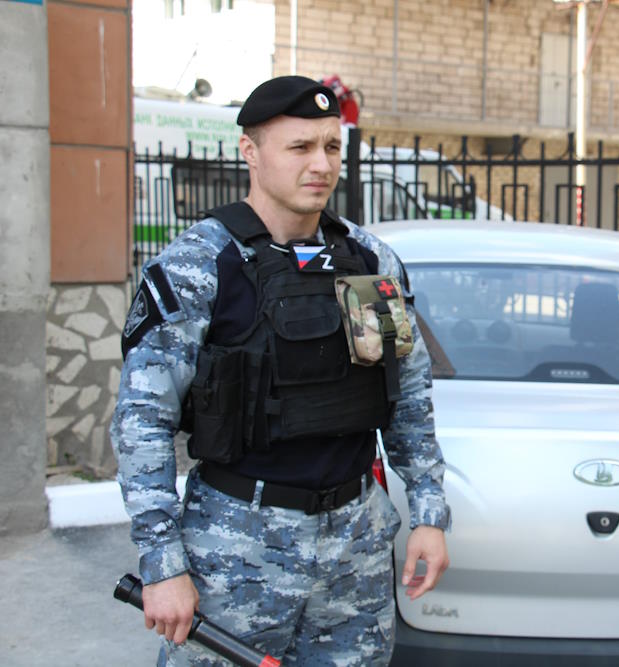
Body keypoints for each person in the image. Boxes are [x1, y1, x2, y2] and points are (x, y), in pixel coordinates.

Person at [111, 75, 450, 666]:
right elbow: (143, 420)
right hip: (235, 545)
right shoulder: (199, 265)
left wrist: (428, 513)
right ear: (250, 151)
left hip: (355, 546)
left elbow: (408, 393)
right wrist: (163, 563)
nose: (321, 164)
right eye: (300, 147)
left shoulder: (368, 261)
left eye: (332, 146)